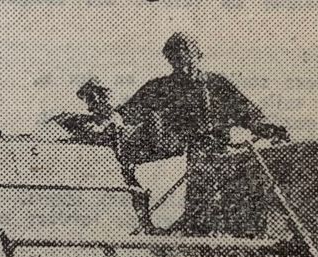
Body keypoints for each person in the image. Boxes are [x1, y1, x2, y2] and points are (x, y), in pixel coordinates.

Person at [117, 32, 288, 163]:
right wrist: (111, 120)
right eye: (176, 59)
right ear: (170, 60)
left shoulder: (217, 85)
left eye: (188, 58)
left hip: (217, 158)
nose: (183, 65)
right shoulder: (159, 88)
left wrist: (271, 130)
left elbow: (248, 114)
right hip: (174, 163)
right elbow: (124, 115)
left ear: (199, 56)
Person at [49, 77, 126, 148]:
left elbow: (96, 139)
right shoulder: (87, 119)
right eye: (89, 99)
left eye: (91, 97)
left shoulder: (114, 121)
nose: (90, 103)